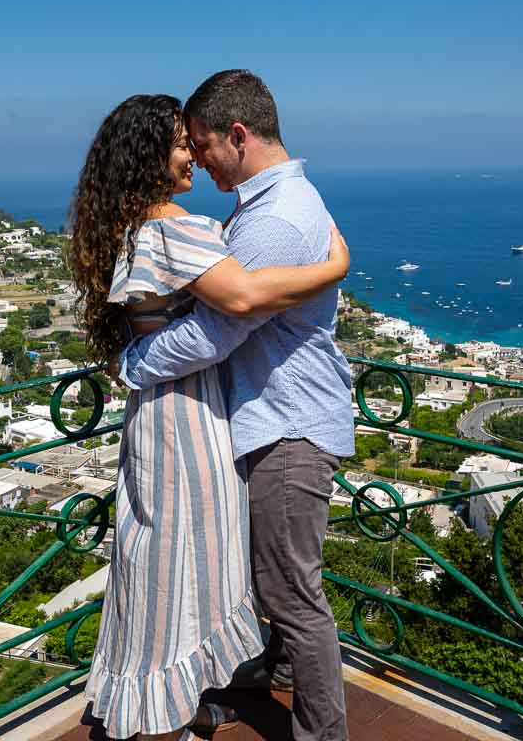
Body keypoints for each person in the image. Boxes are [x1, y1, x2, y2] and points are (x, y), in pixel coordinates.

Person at [68, 93, 349, 740]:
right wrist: (334, 266)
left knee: (157, 562)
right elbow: (242, 301)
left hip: (157, 416)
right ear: (149, 157)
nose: (191, 154)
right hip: (190, 420)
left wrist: (134, 361)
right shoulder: (175, 226)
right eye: (178, 143)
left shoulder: (133, 225)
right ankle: (168, 715)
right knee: (182, 567)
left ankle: (165, 706)